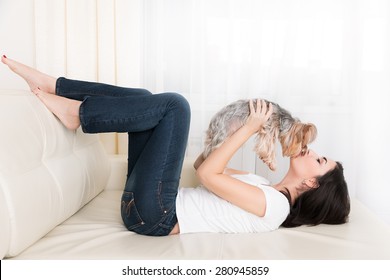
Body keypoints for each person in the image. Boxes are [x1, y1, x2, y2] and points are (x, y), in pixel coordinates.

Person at [2, 55, 350, 236]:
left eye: (320, 161)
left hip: (156, 216)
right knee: (144, 100)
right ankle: (58, 86)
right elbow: (204, 167)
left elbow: (210, 176)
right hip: (150, 203)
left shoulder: (275, 209)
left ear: (310, 184)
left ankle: (79, 115)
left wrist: (247, 130)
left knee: (175, 106)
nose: (312, 152)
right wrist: (234, 125)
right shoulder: (263, 188)